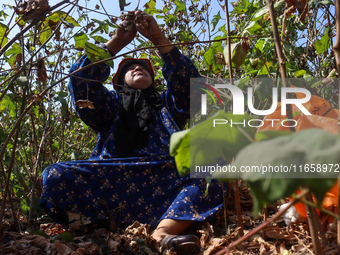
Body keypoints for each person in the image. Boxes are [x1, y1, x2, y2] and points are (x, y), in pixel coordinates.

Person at [40, 11, 227, 254]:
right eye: (131, 68)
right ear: (120, 83)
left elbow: (189, 84)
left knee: (214, 169)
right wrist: (118, 42)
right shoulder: (110, 106)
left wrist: (157, 37)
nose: (138, 67)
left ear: (153, 80)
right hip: (114, 177)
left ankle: (162, 233)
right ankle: (101, 228)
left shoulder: (167, 105)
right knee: (54, 175)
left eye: (144, 68)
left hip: (165, 178)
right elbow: (81, 82)